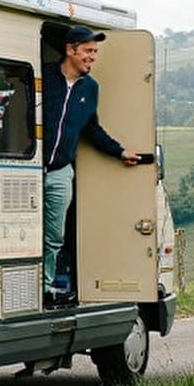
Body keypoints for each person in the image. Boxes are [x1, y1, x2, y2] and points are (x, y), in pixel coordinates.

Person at [42, 26, 145, 298]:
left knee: (54, 236)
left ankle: (45, 287)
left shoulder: (90, 88)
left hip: (60, 171)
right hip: (29, 168)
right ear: (70, 50)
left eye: (95, 52)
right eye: (88, 51)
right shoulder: (43, 76)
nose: (93, 57)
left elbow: (91, 128)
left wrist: (119, 151)